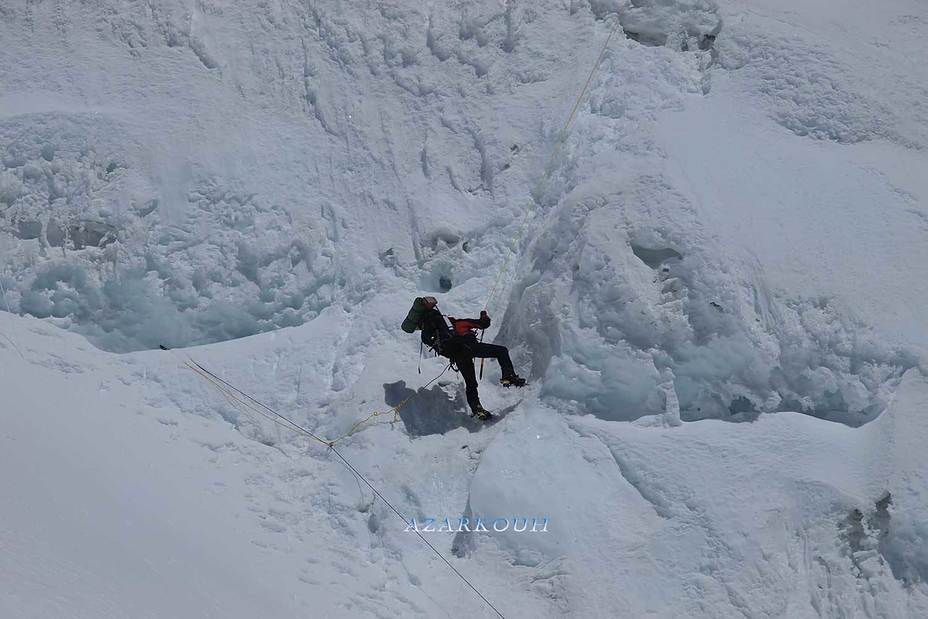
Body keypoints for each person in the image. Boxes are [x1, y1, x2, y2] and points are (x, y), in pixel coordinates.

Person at [403, 296, 525, 420]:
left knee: (470, 383)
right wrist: (484, 315)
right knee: (501, 351)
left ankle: (477, 409)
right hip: (468, 348)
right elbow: (484, 324)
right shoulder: (460, 323)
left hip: (457, 356)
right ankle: (508, 376)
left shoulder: (432, 333)